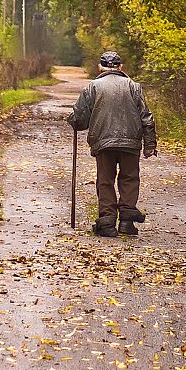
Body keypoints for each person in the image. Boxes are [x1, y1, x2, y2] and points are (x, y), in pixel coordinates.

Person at [67, 51, 157, 238]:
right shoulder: (134, 86)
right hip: (130, 142)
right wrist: (149, 145)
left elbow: (80, 120)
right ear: (120, 67)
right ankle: (126, 222)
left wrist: (73, 120)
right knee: (129, 178)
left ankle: (107, 223)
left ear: (100, 67)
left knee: (105, 180)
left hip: (103, 143)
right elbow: (146, 117)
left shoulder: (92, 87)